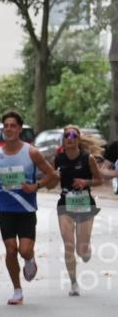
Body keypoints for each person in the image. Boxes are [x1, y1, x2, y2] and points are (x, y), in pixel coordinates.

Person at [0, 110, 59, 305]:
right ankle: (17, 290)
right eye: (5, 126)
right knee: (10, 249)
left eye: (12, 125)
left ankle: (30, 259)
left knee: (24, 250)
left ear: (20, 129)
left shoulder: (31, 152)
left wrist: (36, 186)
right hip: (5, 208)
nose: (9, 129)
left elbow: (52, 175)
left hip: (26, 209)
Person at [53, 126, 104, 296]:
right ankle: (74, 283)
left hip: (84, 204)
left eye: (74, 135)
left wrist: (85, 182)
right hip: (65, 205)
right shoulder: (58, 158)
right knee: (68, 245)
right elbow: (52, 183)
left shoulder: (87, 158)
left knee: (81, 251)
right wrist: (53, 177)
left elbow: (99, 181)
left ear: (78, 139)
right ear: (64, 139)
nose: (71, 138)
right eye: (67, 135)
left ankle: (85, 250)